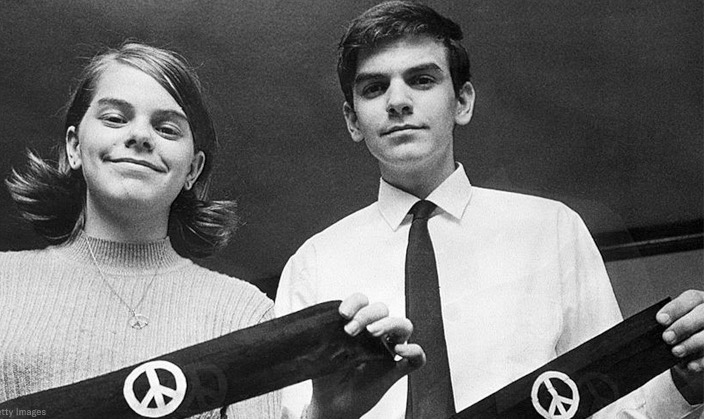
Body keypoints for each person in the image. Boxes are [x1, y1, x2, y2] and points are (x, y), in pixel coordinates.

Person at [0, 42, 424, 419]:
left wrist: (326, 416)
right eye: (114, 118)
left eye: (167, 127)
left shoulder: (241, 310)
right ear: (71, 147)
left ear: (192, 168)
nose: (138, 136)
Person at [275, 1, 703, 418]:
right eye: (374, 87)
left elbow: (613, 408)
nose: (398, 101)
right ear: (353, 120)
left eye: (422, 80)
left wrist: (685, 385)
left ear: (462, 102)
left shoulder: (551, 230)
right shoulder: (313, 265)